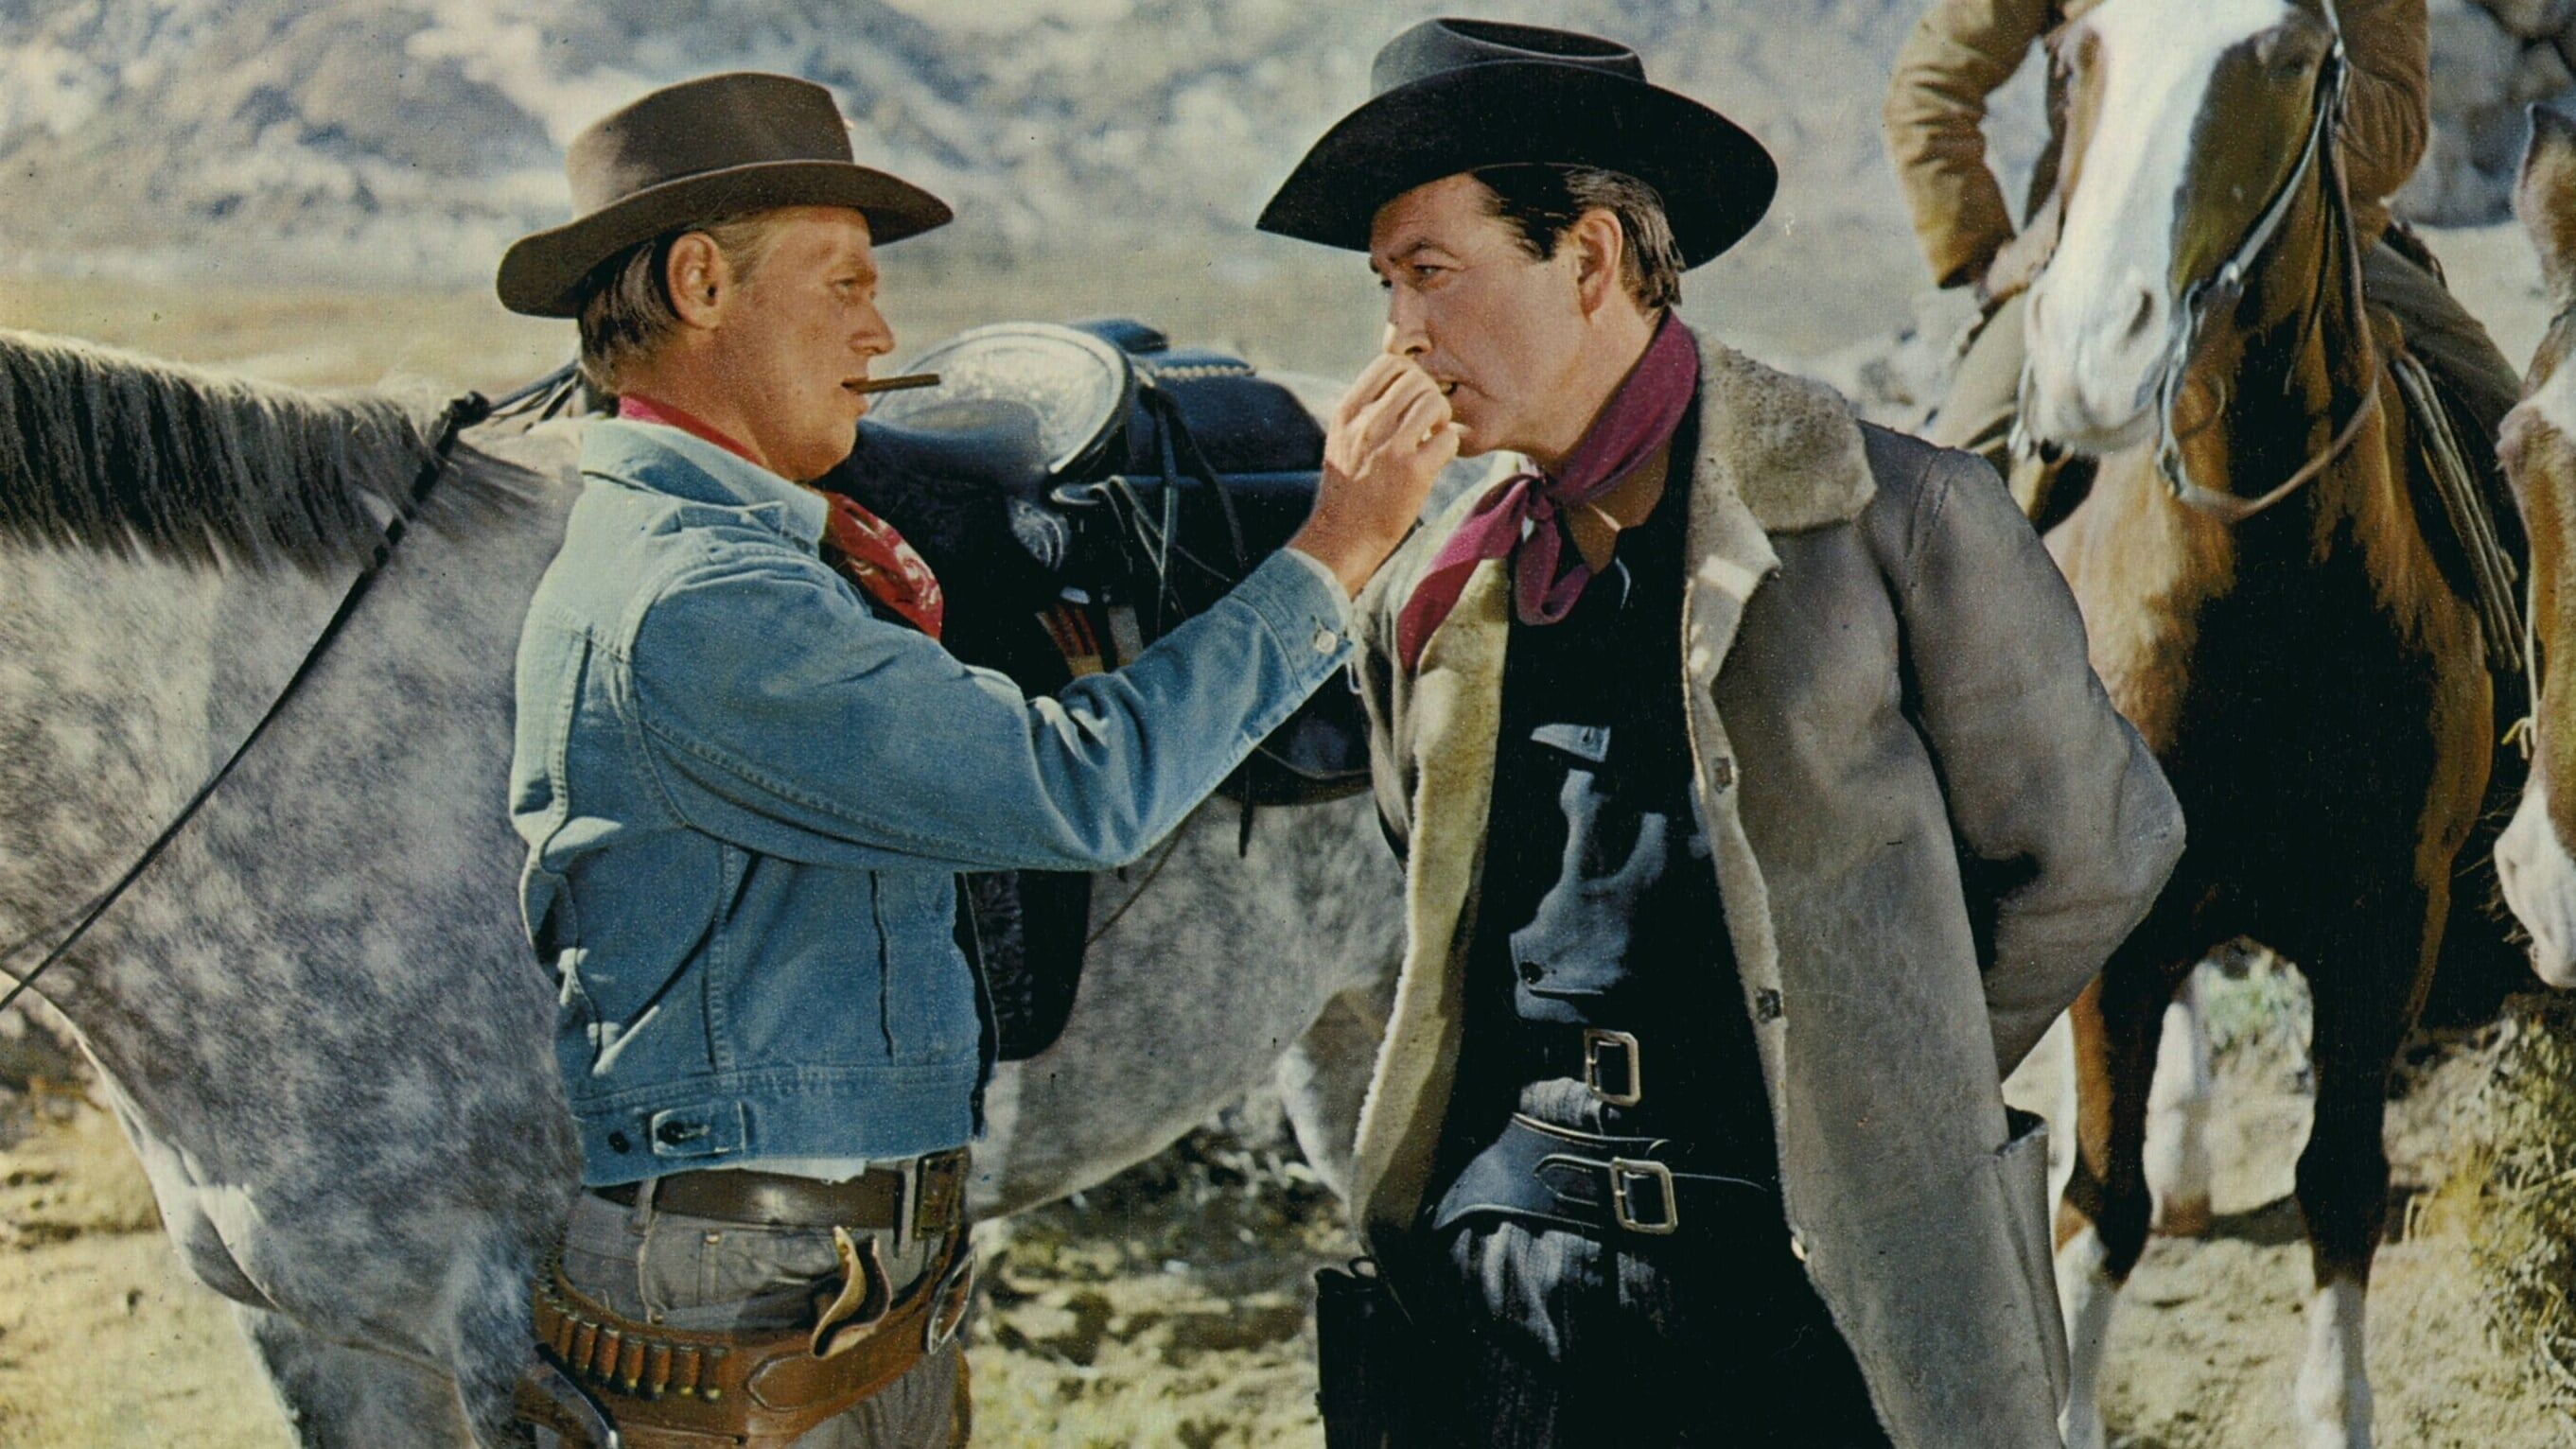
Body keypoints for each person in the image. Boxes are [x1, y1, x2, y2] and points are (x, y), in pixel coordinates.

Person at [1256, 19, 2184, 1446]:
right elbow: (1433, 886)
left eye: (1428, 271)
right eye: (1386, 285)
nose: (1398, 337)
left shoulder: (1898, 524)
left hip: (1807, 1298)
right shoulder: (1432, 597)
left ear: (1588, 260)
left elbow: (2092, 855)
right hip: (1507, 1289)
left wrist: (1876, 1078)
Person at [498, 71, 1453, 1447]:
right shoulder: (702, 596)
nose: (880, 332)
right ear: (701, 283)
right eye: (842, 285)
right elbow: (1078, 790)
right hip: (755, 1289)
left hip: (811, 1278)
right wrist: (1338, 545)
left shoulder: (735, 556)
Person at [1884, 0, 2520, 518]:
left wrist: (2280, 82)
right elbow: (1929, 94)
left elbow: (2395, 131)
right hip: (2101, 252)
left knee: (2505, 423)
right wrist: (1989, 257)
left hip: (2304, 246)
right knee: (1948, 495)